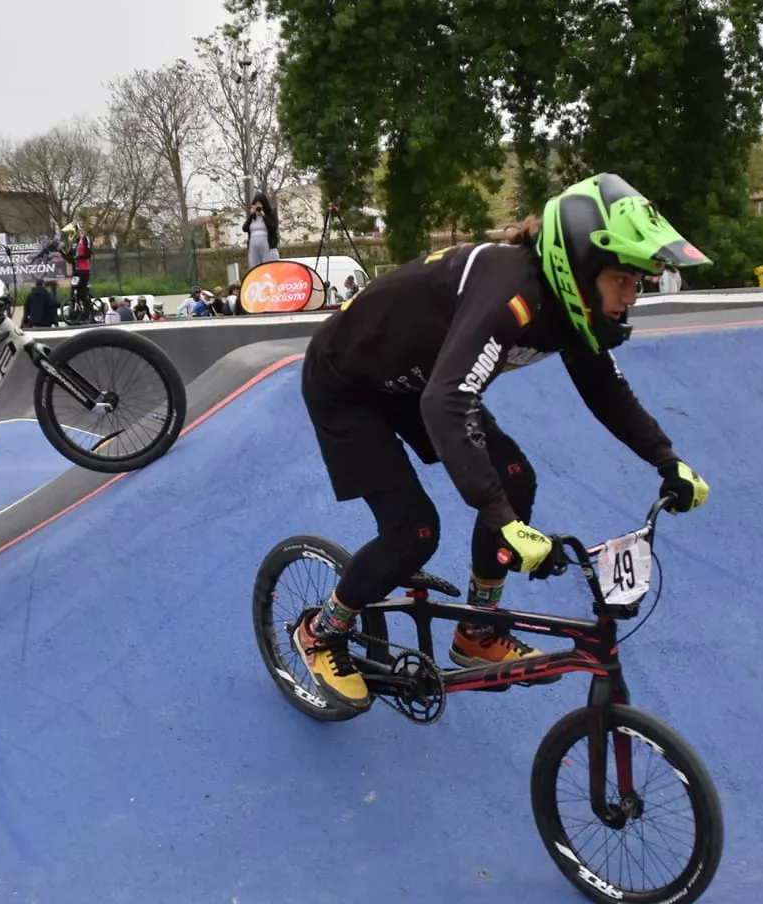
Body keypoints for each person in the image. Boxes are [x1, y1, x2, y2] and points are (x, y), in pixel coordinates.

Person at [290, 173, 713, 711]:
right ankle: (322, 630)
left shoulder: (570, 304)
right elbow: (447, 402)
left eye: (638, 282)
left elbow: (605, 389)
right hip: (346, 384)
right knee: (414, 532)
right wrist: (500, 516)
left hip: (420, 383)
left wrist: (666, 460)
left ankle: (476, 631)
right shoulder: (510, 293)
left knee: (516, 478)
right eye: (624, 279)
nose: (631, 296)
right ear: (582, 267)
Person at [245, 193, 281, 268]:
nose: (258, 207)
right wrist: (252, 215)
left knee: (268, 267)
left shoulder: (270, 215)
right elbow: (244, 228)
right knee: (255, 267)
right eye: (256, 204)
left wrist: (263, 216)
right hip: (254, 245)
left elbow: (273, 228)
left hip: (268, 246)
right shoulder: (252, 218)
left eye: (260, 204)